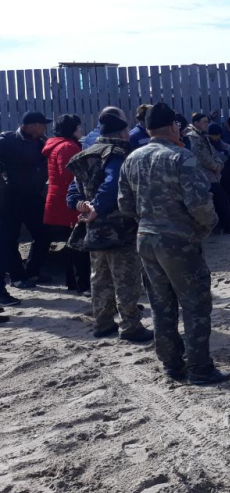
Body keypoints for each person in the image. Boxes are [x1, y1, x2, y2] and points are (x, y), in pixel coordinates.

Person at [118, 102, 230, 385]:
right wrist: (204, 228)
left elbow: (125, 205)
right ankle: (200, 368)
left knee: (161, 305)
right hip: (179, 241)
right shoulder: (182, 157)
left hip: (146, 238)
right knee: (195, 305)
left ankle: (171, 364)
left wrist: (149, 221)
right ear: (172, 126)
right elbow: (200, 205)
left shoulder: (132, 158)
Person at [67, 110, 154, 342]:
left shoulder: (85, 154)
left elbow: (72, 189)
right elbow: (113, 183)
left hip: (92, 226)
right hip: (120, 226)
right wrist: (97, 206)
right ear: (123, 132)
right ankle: (131, 326)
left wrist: (81, 204)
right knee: (126, 278)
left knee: (100, 277)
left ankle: (103, 323)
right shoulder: (117, 153)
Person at [0, 111, 53, 293]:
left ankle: (32, 271)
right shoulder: (7, 140)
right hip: (12, 197)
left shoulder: (41, 141)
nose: (45, 127)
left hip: (33, 196)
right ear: (31, 126)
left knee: (44, 233)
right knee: (9, 238)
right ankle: (17, 276)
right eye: (42, 124)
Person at [42, 114, 91, 295]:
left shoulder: (57, 144)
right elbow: (70, 175)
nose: (81, 130)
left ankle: (73, 282)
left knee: (70, 244)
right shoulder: (68, 147)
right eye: (79, 126)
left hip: (59, 200)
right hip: (67, 203)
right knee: (78, 244)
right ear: (72, 129)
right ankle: (82, 284)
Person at [187, 114, 230, 234]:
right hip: (203, 175)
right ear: (196, 123)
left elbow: (214, 153)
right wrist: (215, 166)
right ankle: (229, 225)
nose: (206, 124)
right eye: (204, 122)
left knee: (221, 199)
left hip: (212, 174)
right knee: (221, 198)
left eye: (207, 121)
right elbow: (201, 157)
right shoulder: (193, 137)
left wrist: (219, 164)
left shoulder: (203, 136)